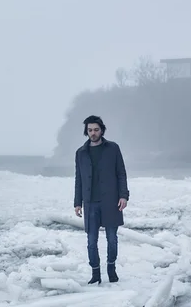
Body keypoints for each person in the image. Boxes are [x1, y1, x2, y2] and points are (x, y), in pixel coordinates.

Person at [73, 115, 129, 284]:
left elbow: (121, 173)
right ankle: (95, 274)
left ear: (102, 130)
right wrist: (77, 202)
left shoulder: (113, 148)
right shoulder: (81, 153)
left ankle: (111, 270)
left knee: (112, 239)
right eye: (90, 130)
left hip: (111, 201)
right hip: (90, 203)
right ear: (86, 131)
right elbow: (78, 179)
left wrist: (123, 196)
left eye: (96, 130)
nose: (93, 133)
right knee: (91, 241)